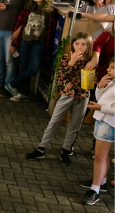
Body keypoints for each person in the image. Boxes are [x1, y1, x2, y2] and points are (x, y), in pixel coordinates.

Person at [26, 32, 94, 166]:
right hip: (67, 95)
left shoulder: (91, 60)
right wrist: (72, 61)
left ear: (89, 45)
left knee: (74, 126)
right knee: (54, 122)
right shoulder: (66, 57)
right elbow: (61, 77)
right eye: (77, 44)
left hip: (82, 96)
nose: (80, 47)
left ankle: (66, 151)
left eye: (83, 44)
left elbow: (91, 80)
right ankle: (41, 149)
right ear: (73, 45)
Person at [5, 0, 57, 101]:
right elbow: (20, 24)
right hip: (25, 41)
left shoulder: (50, 12)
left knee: (33, 69)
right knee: (25, 69)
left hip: (38, 43)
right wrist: (14, 42)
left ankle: (12, 84)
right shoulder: (28, 7)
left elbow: (51, 32)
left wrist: (47, 49)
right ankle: (24, 94)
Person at [81, 60, 114, 210]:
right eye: (110, 66)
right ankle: (102, 182)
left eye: (113, 68)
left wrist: (100, 107)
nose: (108, 69)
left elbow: (106, 106)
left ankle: (95, 191)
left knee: (99, 156)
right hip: (103, 121)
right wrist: (100, 87)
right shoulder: (111, 81)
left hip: (109, 122)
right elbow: (101, 98)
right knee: (101, 155)